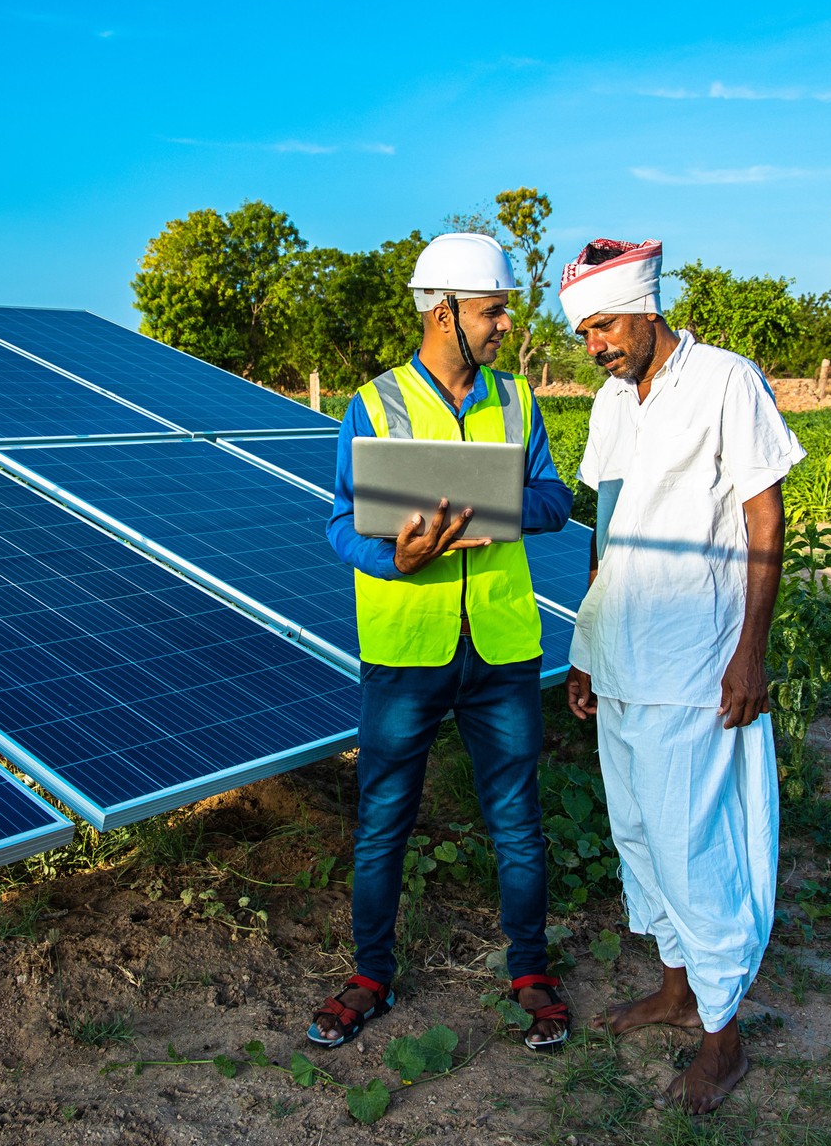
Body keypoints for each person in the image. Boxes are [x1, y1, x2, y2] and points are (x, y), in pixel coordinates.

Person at [310, 232, 574, 1052]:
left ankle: (529, 970)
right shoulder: (374, 401)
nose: (503, 325)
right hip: (405, 650)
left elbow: (556, 499)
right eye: (493, 311)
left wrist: (494, 509)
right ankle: (370, 975)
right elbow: (339, 522)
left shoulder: (518, 400)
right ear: (446, 311)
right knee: (384, 818)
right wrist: (397, 555)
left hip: (501, 648)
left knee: (518, 821)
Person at [559, 238, 804, 1112]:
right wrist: (587, 650)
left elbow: (764, 517)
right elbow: (608, 533)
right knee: (638, 833)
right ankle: (674, 989)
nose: (597, 345)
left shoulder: (726, 382)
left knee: (693, 844)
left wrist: (751, 649)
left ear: (648, 307)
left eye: (607, 325)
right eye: (584, 331)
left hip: (697, 657)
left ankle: (723, 1036)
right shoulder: (611, 403)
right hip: (623, 653)